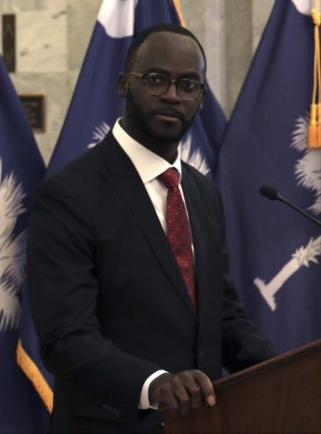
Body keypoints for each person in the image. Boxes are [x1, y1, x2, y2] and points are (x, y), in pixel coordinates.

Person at [27, 24, 276, 433]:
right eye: (157, 80)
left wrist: (294, 368)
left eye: (188, 84)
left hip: (203, 423)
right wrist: (153, 383)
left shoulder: (203, 194)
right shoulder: (69, 195)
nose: (173, 95)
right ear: (125, 85)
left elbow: (224, 318)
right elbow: (65, 337)